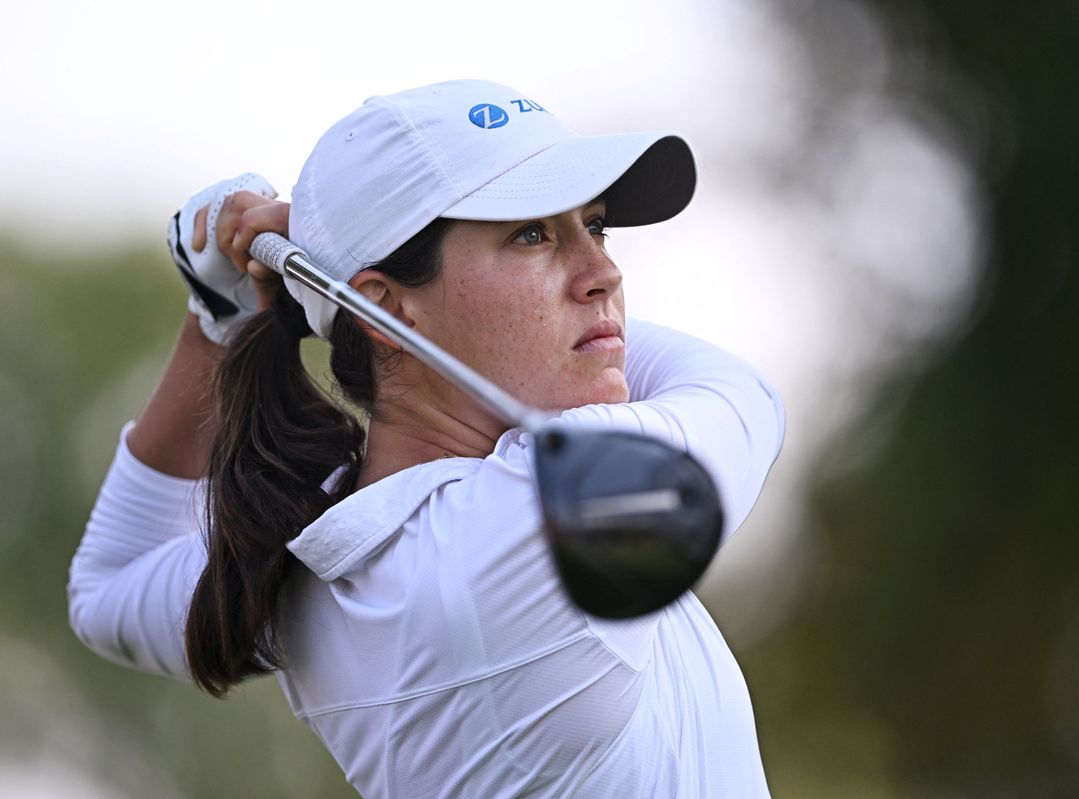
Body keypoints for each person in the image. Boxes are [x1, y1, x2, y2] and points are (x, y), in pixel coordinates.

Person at [68, 79, 786, 798]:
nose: (604, 272)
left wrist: (219, 311)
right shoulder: (534, 520)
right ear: (386, 308)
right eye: (532, 233)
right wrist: (314, 274)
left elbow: (106, 585)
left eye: (593, 226)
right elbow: (737, 391)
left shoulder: (296, 548)